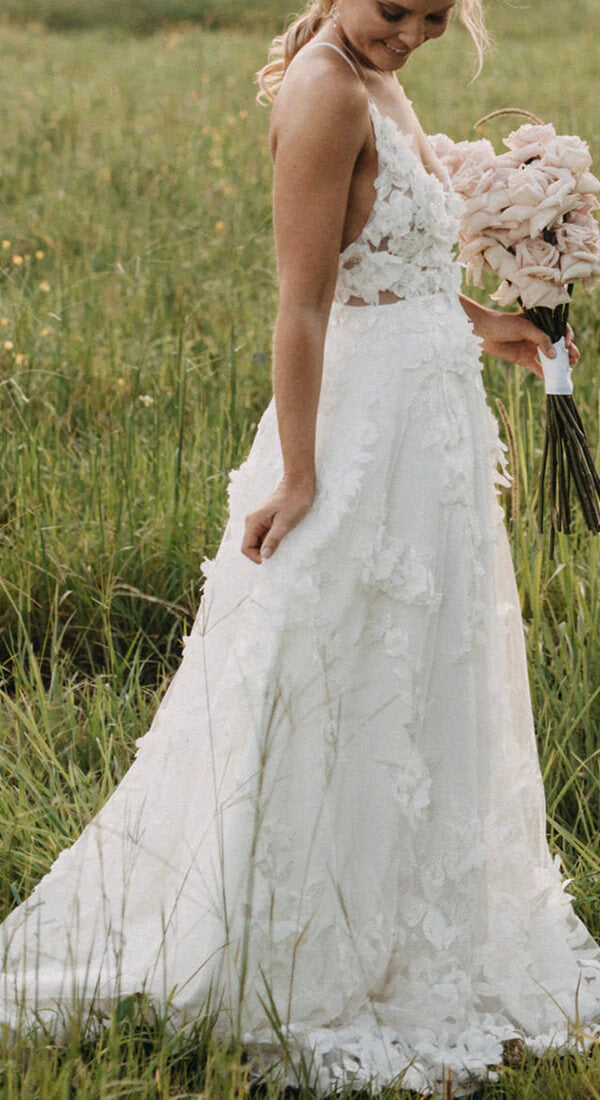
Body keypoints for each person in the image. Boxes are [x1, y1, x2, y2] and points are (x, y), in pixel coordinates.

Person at [1, 1, 599, 1096]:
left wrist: (485, 322)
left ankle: (421, 924)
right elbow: (306, 302)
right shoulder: (327, 90)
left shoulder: (382, 72)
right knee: (331, 676)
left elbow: (396, 265)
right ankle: (301, 948)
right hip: (353, 432)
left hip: (432, 433)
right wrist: (303, 470)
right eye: (396, 7)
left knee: (418, 675)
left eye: (433, 13)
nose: (411, 30)